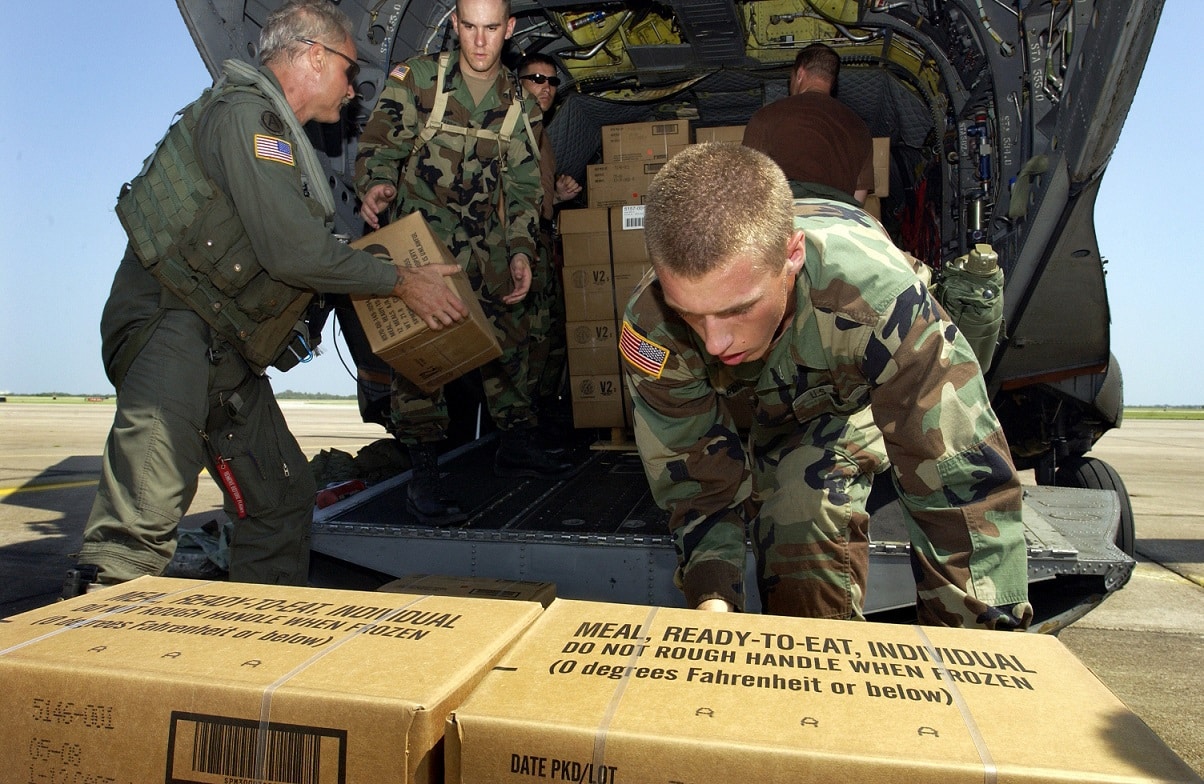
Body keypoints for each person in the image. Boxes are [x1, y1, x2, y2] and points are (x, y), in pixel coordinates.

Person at [68, 0, 467, 594]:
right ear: (313, 56)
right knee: (138, 525)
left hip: (224, 348)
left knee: (281, 501)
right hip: (172, 325)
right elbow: (295, 253)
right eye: (348, 71)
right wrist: (404, 282)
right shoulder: (246, 117)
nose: (352, 89)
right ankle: (89, 642)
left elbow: (296, 249)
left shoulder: (279, 142)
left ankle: (259, 629)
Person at [620, 143, 1032, 630]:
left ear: (792, 257)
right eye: (690, 314)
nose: (714, 342)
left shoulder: (882, 303)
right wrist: (713, 597)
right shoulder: (653, 326)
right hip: (764, 405)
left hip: (853, 391)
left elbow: (960, 482)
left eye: (738, 310)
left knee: (802, 510)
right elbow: (695, 480)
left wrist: (976, 649)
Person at [356, 0, 577, 527]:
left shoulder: (519, 102)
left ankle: (516, 442)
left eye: (491, 29)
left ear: (509, 28)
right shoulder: (419, 81)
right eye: (470, 28)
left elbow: (524, 185)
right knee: (423, 355)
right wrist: (377, 185)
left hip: (489, 248)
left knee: (515, 339)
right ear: (455, 25)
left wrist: (521, 249)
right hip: (426, 248)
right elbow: (379, 145)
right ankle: (423, 468)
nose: (480, 42)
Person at [516, 52, 580, 425]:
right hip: (518, 243)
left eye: (552, 81)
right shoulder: (511, 127)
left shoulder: (541, 134)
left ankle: (539, 416)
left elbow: (533, 195)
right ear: (517, 84)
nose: (546, 87)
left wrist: (557, 197)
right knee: (528, 336)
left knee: (550, 331)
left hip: (538, 238)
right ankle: (520, 425)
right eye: (536, 79)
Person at [742, 42, 874, 205]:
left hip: (789, 207)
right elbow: (859, 196)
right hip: (837, 212)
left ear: (799, 74)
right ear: (831, 81)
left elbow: (748, 182)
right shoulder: (860, 127)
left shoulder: (766, 116)